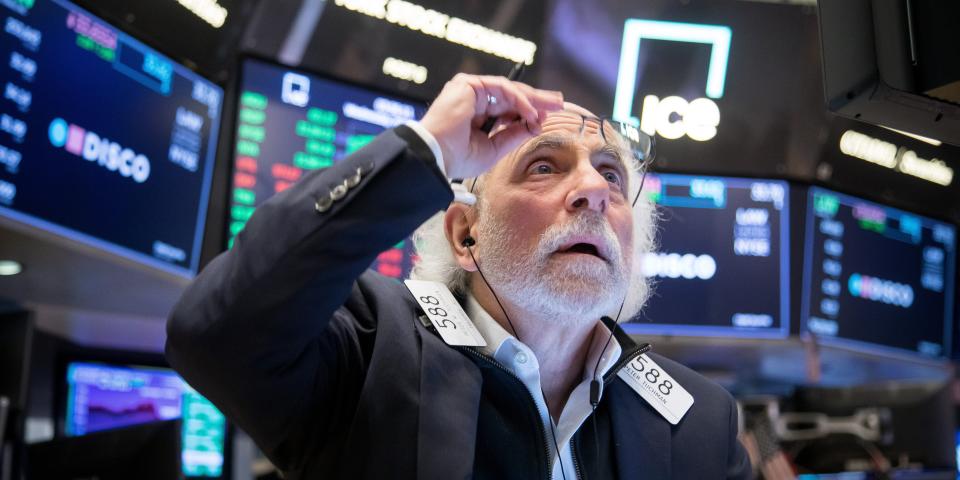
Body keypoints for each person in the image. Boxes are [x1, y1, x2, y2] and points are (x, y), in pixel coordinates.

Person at [166, 73, 752, 479]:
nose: (595, 190)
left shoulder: (700, 417)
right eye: (543, 166)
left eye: (612, 176)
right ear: (464, 234)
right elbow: (216, 334)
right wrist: (427, 151)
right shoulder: (368, 349)